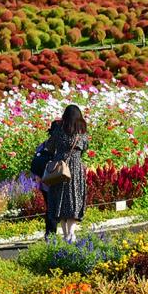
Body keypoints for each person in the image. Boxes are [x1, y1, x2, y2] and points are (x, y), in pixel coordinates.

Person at [42, 104, 89, 242]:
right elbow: (85, 147)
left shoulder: (59, 131)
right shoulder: (82, 133)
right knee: (74, 199)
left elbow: (49, 147)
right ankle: (71, 234)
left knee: (59, 200)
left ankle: (65, 235)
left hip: (59, 169)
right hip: (75, 169)